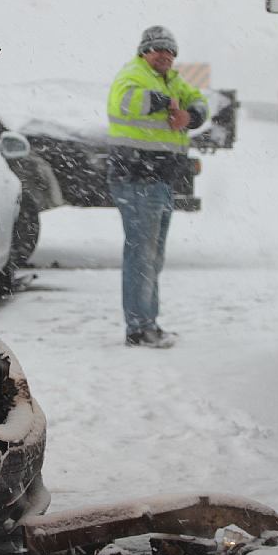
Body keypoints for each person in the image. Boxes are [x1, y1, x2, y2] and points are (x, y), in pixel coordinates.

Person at [106, 26, 208, 348]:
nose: (165, 55)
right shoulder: (132, 74)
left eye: (170, 50)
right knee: (142, 257)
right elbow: (123, 103)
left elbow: (200, 102)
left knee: (152, 257)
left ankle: (147, 323)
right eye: (158, 49)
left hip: (160, 181)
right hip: (137, 178)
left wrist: (188, 117)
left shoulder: (173, 80)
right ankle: (139, 328)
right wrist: (167, 104)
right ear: (144, 52)